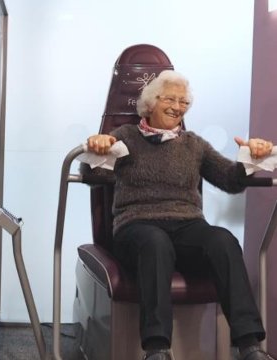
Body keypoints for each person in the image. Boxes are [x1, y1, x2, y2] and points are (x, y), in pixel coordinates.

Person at [86, 70, 274, 360]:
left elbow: (230, 180)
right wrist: (97, 147)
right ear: (150, 103)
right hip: (137, 225)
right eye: (170, 99)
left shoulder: (193, 145)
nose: (178, 107)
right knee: (155, 243)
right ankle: (157, 349)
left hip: (187, 226)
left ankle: (250, 345)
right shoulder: (125, 137)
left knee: (223, 240)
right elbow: (94, 174)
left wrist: (253, 157)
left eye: (184, 102)